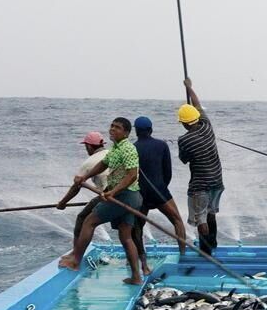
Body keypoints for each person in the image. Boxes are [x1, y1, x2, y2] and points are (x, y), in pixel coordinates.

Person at [59, 117, 146, 284]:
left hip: (125, 196)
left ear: (126, 133)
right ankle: (136, 277)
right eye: (112, 126)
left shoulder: (128, 149)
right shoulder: (115, 149)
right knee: (125, 236)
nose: (113, 129)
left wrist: (113, 192)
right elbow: (103, 165)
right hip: (127, 196)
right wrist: (85, 177)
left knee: (89, 221)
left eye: (118, 127)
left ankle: (75, 261)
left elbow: (132, 175)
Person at [130, 115, 187, 273]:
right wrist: (161, 187)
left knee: (137, 228)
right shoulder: (161, 145)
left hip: (141, 194)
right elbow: (167, 171)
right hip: (160, 191)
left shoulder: (132, 148)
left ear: (136, 131)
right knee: (177, 220)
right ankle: (183, 254)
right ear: (151, 130)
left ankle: (144, 265)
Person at [175, 78, 224, 254]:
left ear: (184, 123)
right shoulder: (207, 125)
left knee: (201, 219)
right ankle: (213, 244)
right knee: (211, 213)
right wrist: (189, 88)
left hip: (200, 186)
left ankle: (206, 252)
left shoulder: (184, 139)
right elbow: (197, 103)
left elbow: (184, 159)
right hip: (217, 182)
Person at [56, 131, 109, 266]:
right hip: (120, 193)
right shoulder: (111, 154)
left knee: (83, 218)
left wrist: (62, 203)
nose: (86, 149)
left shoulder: (89, 162)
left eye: (86, 146)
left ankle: (75, 254)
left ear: (90, 146)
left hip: (107, 196)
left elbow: (76, 187)